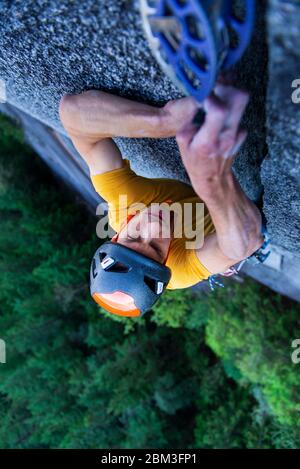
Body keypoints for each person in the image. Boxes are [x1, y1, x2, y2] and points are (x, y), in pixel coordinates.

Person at [59, 84, 264, 315]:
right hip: (227, 219)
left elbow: (72, 112)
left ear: (116, 236)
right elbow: (248, 240)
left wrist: (163, 121)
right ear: (166, 260)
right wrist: (211, 180)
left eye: (134, 236)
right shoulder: (181, 269)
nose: (152, 227)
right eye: (156, 247)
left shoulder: (124, 201)